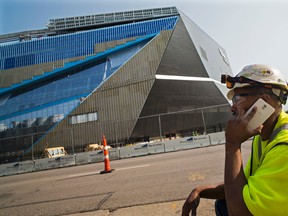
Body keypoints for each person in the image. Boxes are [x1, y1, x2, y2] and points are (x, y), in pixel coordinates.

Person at [182, 64, 288, 216]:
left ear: (264, 102)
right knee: (223, 203)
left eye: (237, 98)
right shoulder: (265, 135)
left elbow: (240, 213)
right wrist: (201, 190)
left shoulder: (284, 148)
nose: (232, 108)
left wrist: (232, 145)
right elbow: (241, 185)